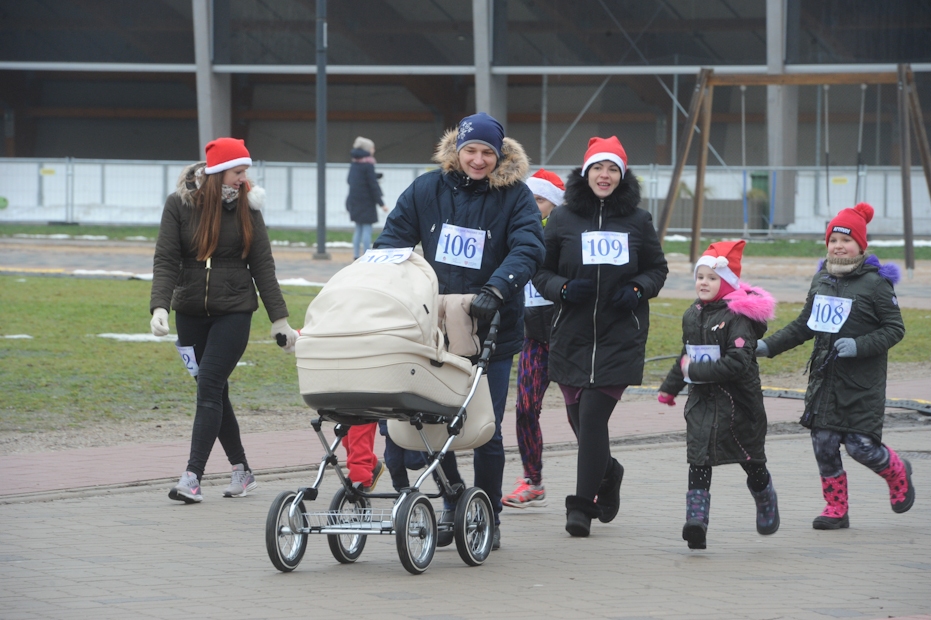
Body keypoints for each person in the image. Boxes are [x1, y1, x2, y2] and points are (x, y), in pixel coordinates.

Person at [372, 112, 546, 549]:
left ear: (499, 155)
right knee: (435, 419)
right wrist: (374, 283)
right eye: (471, 150)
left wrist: (499, 287)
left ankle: (488, 513)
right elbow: (393, 242)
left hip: (492, 327)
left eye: (488, 152)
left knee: (485, 426)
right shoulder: (426, 189)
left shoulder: (516, 197)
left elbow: (529, 247)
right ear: (457, 150)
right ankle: (452, 499)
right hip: (435, 324)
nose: (478, 160)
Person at [150, 137, 299, 504]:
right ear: (217, 174)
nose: (243, 178)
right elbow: (166, 259)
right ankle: (242, 471)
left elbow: (263, 265)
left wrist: (279, 320)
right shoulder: (179, 206)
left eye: (245, 171)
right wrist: (160, 307)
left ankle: (192, 477)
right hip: (189, 312)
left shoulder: (248, 208)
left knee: (210, 385)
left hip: (234, 311)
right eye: (237, 171)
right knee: (214, 391)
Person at [533, 136, 668, 537]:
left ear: (622, 175)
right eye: (598, 168)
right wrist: (560, 288)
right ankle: (608, 472)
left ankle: (580, 507)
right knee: (580, 422)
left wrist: (638, 289)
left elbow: (657, 270)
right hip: (571, 333)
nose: (604, 176)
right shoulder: (562, 218)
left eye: (612, 169)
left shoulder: (637, 221)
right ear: (586, 172)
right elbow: (539, 271)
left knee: (592, 417)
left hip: (618, 334)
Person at [757, 202, 913, 529]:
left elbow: (894, 329)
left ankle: (898, 471)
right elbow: (805, 325)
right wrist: (767, 346)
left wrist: (859, 346)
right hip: (825, 381)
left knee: (861, 448)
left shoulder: (875, 283)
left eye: (846, 240)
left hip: (861, 384)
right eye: (833, 241)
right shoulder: (822, 280)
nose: (838, 246)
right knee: (824, 444)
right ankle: (835, 509)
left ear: (860, 244)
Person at [658, 240, 779, 550]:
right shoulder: (692, 315)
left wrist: (694, 372)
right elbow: (686, 355)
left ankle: (765, 497)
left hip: (739, 404)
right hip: (702, 402)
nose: (703, 283)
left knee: (750, 459)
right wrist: (671, 386)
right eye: (700, 277)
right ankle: (696, 522)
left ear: (726, 283)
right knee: (698, 459)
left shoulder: (738, 319)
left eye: (712, 278)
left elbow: (737, 364)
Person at [503, 169, 564, 509]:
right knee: (525, 408)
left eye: (539, 200)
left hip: (568, 337)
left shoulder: (562, 234)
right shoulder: (513, 230)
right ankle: (532, 480)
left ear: (554, 206)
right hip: (532, 338)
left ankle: (596, 478)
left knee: (581, 415)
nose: (531, 206)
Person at [346, 136, 388, 259]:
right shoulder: (368, 164)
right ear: (367, 149)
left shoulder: (354, 163)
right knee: (367, 229)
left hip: (354, 201)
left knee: (358, 228)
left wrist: (373, 175)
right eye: (372, 147)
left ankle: (355, 255)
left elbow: (350, 180)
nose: (374, 149)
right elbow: (373, 186)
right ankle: (366, 255)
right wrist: (382, 204)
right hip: (367, 202)